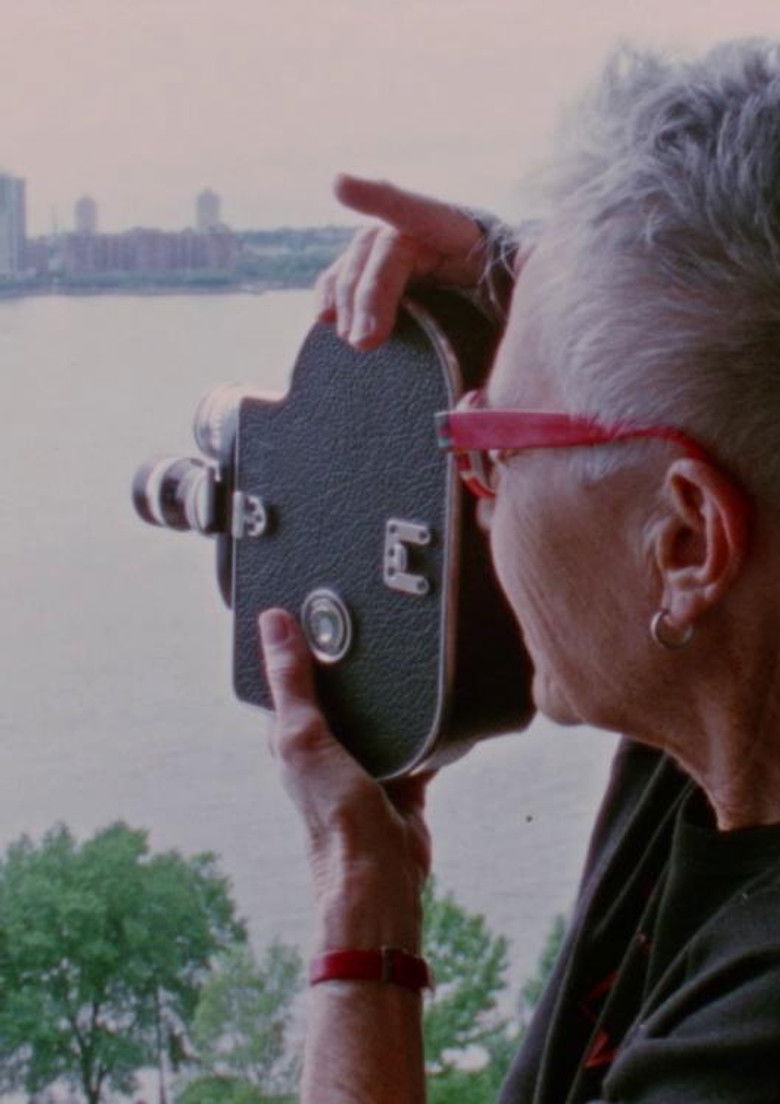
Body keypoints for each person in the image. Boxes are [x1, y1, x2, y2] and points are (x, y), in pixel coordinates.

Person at [259, 39, 780, 1103]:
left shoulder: (746, 1052)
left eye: (490, 450)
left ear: (683, 547)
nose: (471, 501)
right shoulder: (731, 721)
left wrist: (362, 912)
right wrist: (516, 276)